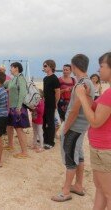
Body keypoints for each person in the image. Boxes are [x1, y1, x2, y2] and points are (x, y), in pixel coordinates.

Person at [51, 54, 95, 202]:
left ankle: (65, 191)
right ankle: (78, 185)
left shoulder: (83, 84)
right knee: (79, 155)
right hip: (81, 126)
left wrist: (65, 128)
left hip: (75, 127)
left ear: (74, 66)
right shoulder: (86, 82)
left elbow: (75, 110)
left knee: (70, 157)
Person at [75, 52, 111, 209]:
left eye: (102, 66)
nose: (99, 69)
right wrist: (88, 98)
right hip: (100, 149)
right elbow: (97, 111)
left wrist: (82, 97)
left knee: (108, 192)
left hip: (105, 150)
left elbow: (96, 121)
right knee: (100, 189)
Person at [4, 62, 30, 158]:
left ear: (16, 68)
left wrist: (19, 107)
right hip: (11, 107)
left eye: (11, 67)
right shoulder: (13, 79)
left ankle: (25, 152)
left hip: (18, 107)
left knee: (19, 129)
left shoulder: (21, 78)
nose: (10, 69)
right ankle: (10, 145)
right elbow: (5, 84)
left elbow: (23, 93)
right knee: (9, 126)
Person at [42, 60, 60, 149]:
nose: (44, 68)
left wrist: (56, 103)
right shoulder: (45, 78)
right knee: (44, 121)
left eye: (45, 66)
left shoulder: (54, 78)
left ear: (51, 66)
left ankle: (50, 142)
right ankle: (45, 139)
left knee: (50, 122)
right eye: (43, 66)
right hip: (44, 103)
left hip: (51, 104)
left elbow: (57, 92)